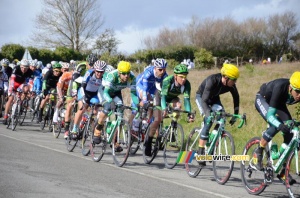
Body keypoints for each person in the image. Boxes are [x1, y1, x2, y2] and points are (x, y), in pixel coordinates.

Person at [253, 72, 300, 184]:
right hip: (263, 99)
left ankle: (283, 171)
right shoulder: (280, 87)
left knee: (290, 134)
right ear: (290, 88)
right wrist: (280, 125)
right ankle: (258, 151)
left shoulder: (296, 92)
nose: (299, 95)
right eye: (297, 92)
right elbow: (270, 115)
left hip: (278, 103)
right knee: (276, 125)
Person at [144, 64, 195, 156]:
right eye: (181, 77)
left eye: (185, 77)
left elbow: (187, 100)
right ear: (175, 76)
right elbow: (163, 97)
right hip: (160, 97)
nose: (183, 79)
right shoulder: (168, 80)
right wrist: (164, 109)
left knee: (178, 106)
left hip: (172, 98)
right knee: (158, 119)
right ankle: (149, 140)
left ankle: (173, 128)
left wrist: (189, 113)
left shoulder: (187, 84)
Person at [195, 63, 240, 166]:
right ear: (226, 77)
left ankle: (211, 145)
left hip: (214, 99)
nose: (235, 82)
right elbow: (204, 100)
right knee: (208, 119)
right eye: (234, 79)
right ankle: (201, 150)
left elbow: (236, 98)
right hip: (202, 98)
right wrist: (208, 114)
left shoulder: (231, 85)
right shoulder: (212, 80)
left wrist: (235, 114)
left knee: (222, 117)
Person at [93, 61, 138, 151]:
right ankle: (97, 130)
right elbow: (106, 92)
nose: (126, 76)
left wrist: (137, 105)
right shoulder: (112, 76)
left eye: (128, 73)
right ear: (118, 73)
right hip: (105, 92)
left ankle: (115, 141)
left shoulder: (132, 78)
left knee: (120, 115)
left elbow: (133, 94)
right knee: (107, 107)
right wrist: (110, 101)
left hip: (117, 93)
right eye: (124, 74)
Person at [70, 60, 107, 138]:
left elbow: (104, 90)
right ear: (94, 70)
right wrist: (84, 97)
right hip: (84, 91)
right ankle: (75, 128)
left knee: (95, 111)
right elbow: (83, 85)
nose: (99, 74)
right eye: (98, 71)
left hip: (94, 94)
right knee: (82, 109)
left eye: (101, 72)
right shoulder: (89, 73)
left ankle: (87, 120)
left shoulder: (104, 77)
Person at [131, 58, 168, 129]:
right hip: (141, 85)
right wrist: (145, 101)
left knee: (154, 103)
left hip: (152, 87)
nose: (162, 71)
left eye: (164, 69)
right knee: (147, 99)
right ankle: (136, 119)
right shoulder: (148, 73)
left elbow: (163, 91)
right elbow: (145, 89)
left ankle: (146, 122)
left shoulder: (165, 75)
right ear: (155, 68)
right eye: (160, 69)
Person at [3, 59, 34, 124]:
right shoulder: (16, 68)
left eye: (25, 68)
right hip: (14, 83)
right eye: (22, 67)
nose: (23, 69)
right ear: (20, 66)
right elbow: (12, 80)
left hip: (21, 84)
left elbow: (31, 83)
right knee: (11, 99)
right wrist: (11, 89)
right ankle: (5, 116)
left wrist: (31, 91)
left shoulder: (30, 71)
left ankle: (20, 104)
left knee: (26, 89)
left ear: (28, 67)